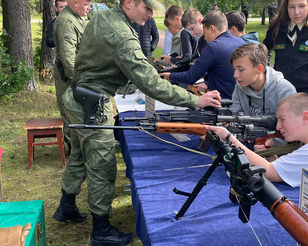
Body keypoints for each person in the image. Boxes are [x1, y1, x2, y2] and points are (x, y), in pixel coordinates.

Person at [54, 0, 222, 245]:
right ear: (129, 3)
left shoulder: (103, 17)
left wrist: (154, 65)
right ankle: (101, 230)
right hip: (91, 102)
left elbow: (123, 61)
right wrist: (195, 101)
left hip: (77, 95)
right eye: (147, 8)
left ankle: (66, 205)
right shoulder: (122, 35)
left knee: (79, 154)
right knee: (102, 164)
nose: (150, 14)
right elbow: (150, 84)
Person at [206, 93, 308, 189]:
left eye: (282, 119)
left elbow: (269, 172)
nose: (278, 127)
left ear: (305, 118)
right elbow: (275, 169)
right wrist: (272, 157)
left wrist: (229, 138)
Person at [161, 10, 246, 99]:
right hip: (241, 101)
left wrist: (169, 76)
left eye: (205, 33)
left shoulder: (213, 47)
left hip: (222, 103)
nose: (204, 37)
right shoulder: (242, 42)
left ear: (212, 29)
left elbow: (190, 77)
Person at [53, 0, 91, 153]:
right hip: (69, 78)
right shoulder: (67, 21)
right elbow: (69, 60)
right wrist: (81, 81)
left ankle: (80, 147)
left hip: (76, 76)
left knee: (78, 114)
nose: (89, 7)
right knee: (70, 114)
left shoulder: (75, 18)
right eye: (86, 4)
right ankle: (75, 151)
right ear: (75, 3)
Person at [230, 43, 296, 116]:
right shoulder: (240, 86)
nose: (235, 75)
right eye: (234, 69)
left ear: (259, 69)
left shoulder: (285, 90)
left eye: (241, 70)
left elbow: (291, 123)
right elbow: (234, 115)